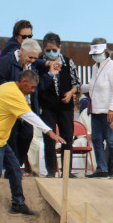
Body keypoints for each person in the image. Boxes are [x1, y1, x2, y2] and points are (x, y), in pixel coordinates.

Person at [0, 70, 64, 216]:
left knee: (16, 169)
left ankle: (18, 203)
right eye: (32, 87)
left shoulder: (6, 86)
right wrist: (49, 131)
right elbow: (29, 116)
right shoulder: (13, 94)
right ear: (23, 83)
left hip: (0, 138)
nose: (33, 91)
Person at [0, 38, 45, 175]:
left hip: (27, 107)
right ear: (22, 51)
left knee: (27, 135)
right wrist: (12, 89)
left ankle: (15, 166)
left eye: (35, 58)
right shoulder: (7, 60)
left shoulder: (32, 65)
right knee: (12, 136)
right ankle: (11, 170)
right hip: (11, 108)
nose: (32, 60)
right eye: (30, 57)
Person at [37, 33, 80, 177]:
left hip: (65, 106)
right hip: (47, 106)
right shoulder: (40, 62)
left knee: (67, 137)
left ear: (60, 47)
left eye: (54, 49)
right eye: (48, 50)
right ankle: (51, 170)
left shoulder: (68, 62)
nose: (51, 52)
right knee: (49, 137)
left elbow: (77, 84)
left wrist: (70, 93)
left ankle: (66, 171)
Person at [82, 38, 113, 179]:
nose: (95, 56)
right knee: (96, 139)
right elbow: (93, 86)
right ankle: (102, 167)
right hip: (96, 110)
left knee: (111, 140)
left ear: (105, 52)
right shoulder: (95, 67)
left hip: (111, 110)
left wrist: (111, 109)